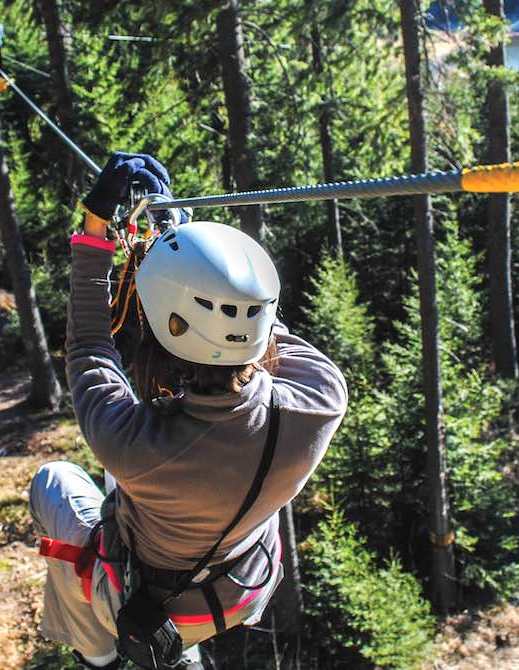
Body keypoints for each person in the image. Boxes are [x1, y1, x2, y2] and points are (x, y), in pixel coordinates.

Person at [29, 153, 347, 669]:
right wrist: (183, 243)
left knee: (53, 480)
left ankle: (97, 651)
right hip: (242, 589)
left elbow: (90, 344)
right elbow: (261, 331)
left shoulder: (134, 446)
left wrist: (96, 230)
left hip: (151, 598)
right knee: (127, 493)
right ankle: (181, 655)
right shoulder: (320, 399)